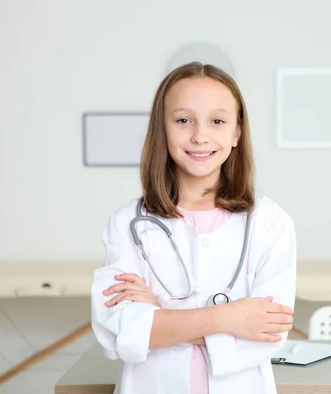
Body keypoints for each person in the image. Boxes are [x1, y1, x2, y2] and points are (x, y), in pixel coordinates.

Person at [90, 61, 297, 394]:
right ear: (163, 128)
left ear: (236, 133)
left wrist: (159, 315)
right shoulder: (127, 223)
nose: (200, 135)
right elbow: (116, 333)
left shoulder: (269, 223)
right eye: (183, 120)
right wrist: (228, 318)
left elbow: (269, 334)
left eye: (217, 121)